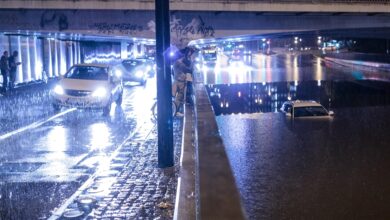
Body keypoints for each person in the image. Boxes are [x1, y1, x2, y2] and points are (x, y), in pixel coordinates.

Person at [172, 47, 194, 116]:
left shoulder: (175, 63)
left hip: (176, 81)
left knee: (178, 97)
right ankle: (175, 111)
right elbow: (189, 70)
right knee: (179, 97)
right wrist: (193, 62)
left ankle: (175, 110)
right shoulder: (180, 64)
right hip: (180, 82)